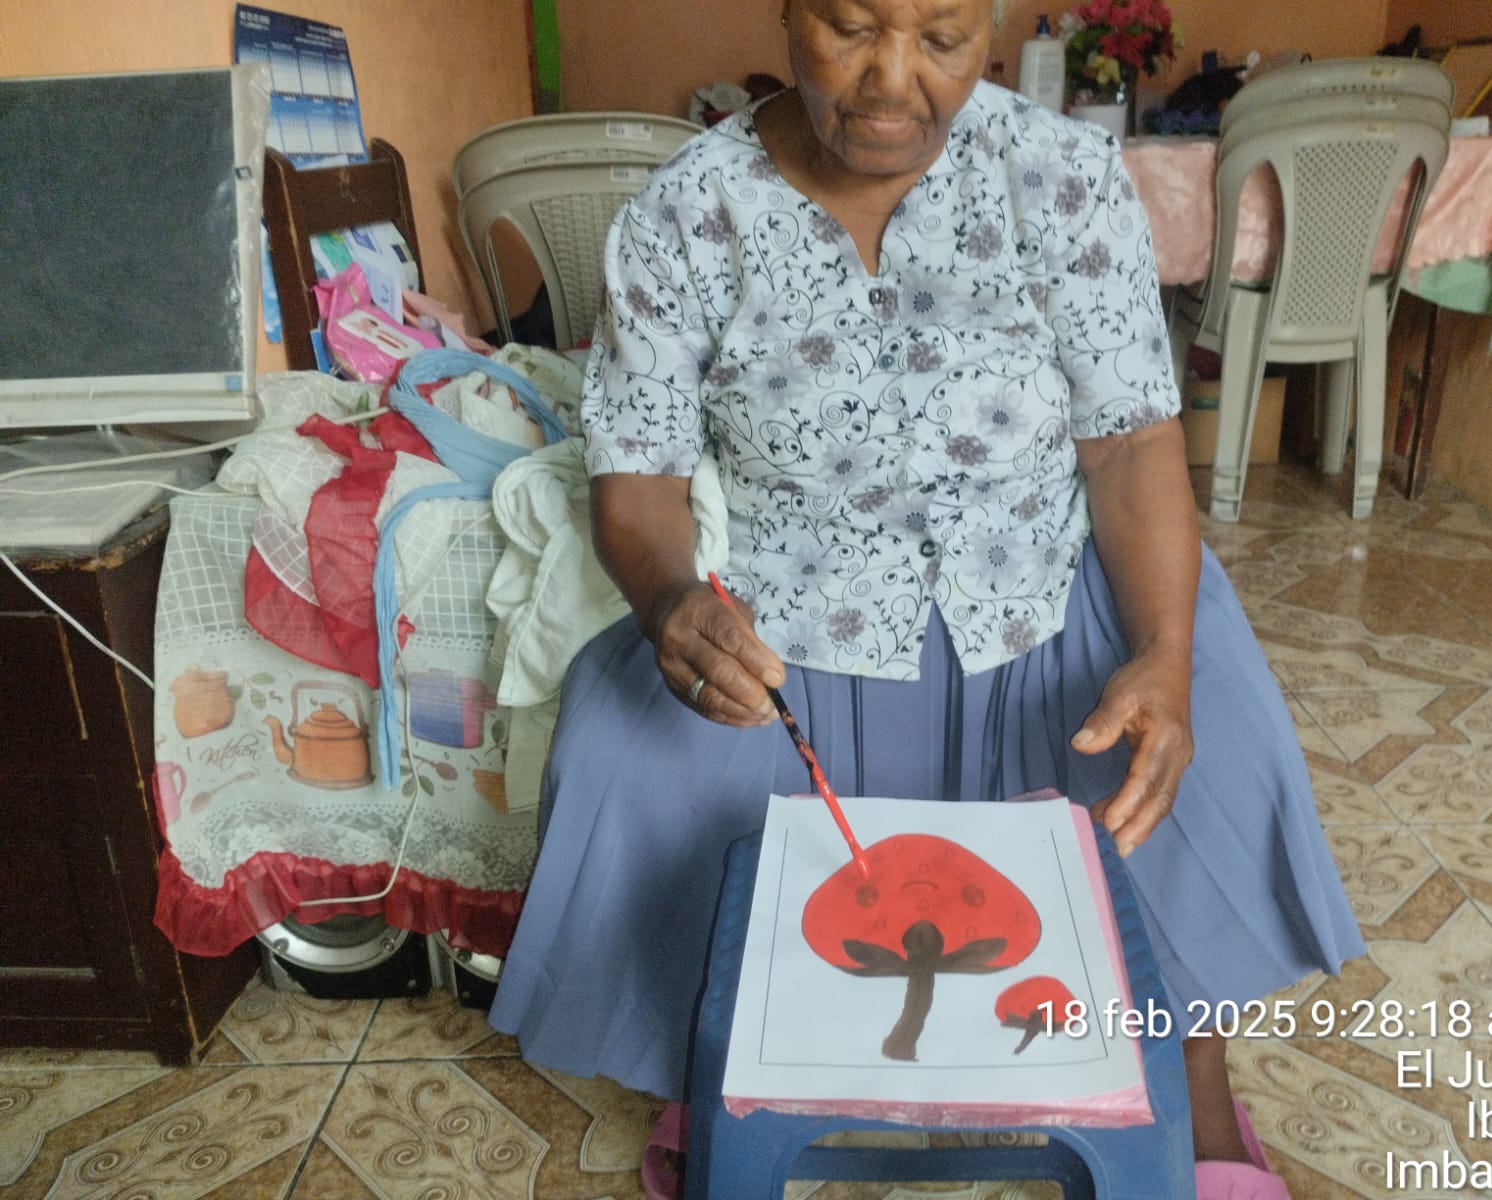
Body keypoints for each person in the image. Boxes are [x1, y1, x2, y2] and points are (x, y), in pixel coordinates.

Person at [489, 3, 1363, 1197]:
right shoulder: (686, 212)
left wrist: (1161, 651)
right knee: (632, 757)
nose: (890, 81)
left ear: (987, 26)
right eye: (850, 28)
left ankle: (1189, 1085)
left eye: (941, 38)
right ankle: (715, 1055)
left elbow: (1127, 442)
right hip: (788, 633)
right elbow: (636, 479)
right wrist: (670, 601)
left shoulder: (1060, 176)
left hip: (1040, 595)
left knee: (1204, 752)